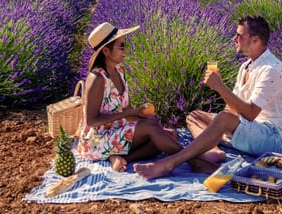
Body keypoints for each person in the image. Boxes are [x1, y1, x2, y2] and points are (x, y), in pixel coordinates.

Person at [134, 15, 282, 179]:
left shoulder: (271, 70)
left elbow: (251, 113)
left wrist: (220, 87)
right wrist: (219, 109)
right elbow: (232, 109)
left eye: (239, 35)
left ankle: (170, 163)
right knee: (195, 116)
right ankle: (212, 151)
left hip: (273, 137)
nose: (234, 39)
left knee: (223, 119)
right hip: (250, 128)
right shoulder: (246, 66)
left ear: (255, 40)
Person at [77, 22, 217, 174]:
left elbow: (125, 107)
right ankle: (194, 161)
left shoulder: (119, 70)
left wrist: (139, 114)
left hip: (115, 132)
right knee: (151, 130)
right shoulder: (97, 78)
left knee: (169, 135)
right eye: (121, 46)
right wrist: (133, 115)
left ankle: (121, 157)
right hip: (97, 140)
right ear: (106, 51)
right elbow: (91, 121)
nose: (125, 50)